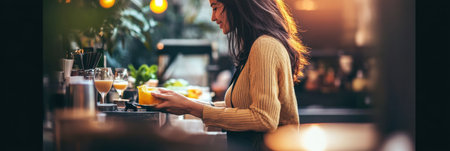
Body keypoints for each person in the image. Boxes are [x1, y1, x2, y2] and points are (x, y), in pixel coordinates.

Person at [151, 0, 309, 150]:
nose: (213, 18)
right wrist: (186, 104)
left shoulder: (265, 45)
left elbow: (264, 118)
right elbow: (240, 108)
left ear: (236, 4)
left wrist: (190, 106)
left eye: (215, 7)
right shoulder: (257, 45)